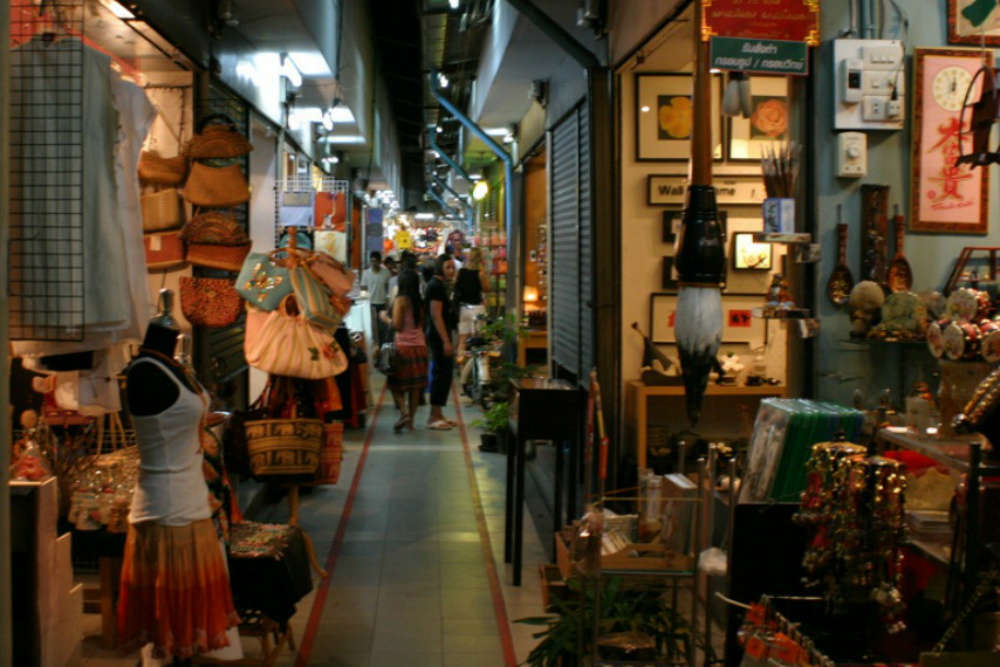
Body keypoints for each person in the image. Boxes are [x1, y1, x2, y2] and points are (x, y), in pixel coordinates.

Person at [385, 269, 428, 432]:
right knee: (415, 387)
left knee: (395, 383)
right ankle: (411, 421)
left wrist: (384, 317)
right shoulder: (420, 301)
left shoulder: (401, 300)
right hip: (420, 346)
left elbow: (396, 325)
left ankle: (404, 412)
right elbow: (422, 324)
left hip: (403, 347)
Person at [425, 253, 458, 430]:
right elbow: (436, 315)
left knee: (445, 373)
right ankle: (433, 417)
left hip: (442, 334)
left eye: (453, 267)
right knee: (440, 373)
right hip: (438, 335)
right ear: (440, 268)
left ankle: (439, 413)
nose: (452, 271)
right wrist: (446, 340)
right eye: (448, 267)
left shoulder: (440, 285)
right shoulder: (436, 286)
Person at [454, 247, 491, 357]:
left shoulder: (460, 272)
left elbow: (455, 286)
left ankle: (462, 368)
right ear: (480, 259)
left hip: (464, 308)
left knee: (462, 340)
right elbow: (487, 288)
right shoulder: (480, 273)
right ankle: (480, 368)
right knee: (480, 339)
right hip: (477, 308)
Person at [361, 250, 391, 346]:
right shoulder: (366, 273)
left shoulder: (386, 273)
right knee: (372, 328)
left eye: (375, 261)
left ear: (379, 261)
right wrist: (363, 303)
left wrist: (388, 303)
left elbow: (389, 289)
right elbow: (363, 288)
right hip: (370, 304)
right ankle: (373, 348)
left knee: (382, 328)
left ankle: (382, 348)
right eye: (372, 261)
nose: (373, 263)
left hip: (382, 304)